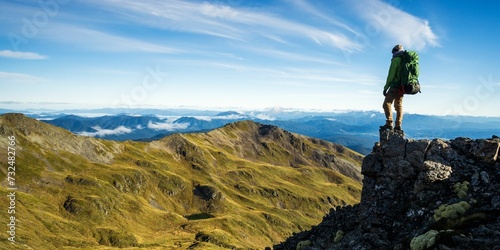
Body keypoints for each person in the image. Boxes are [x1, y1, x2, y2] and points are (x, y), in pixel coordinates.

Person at [380, 44, 405, 131]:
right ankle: (398, 125)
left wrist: (385, 87)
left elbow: (391, 75)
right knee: (399, 106)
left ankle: (389, 123)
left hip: (395, 85)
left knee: (386, 104)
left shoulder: (396, 60)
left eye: (393, 51)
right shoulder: (405, 60)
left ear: (395, 51)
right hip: (403, 87)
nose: (392, 53)